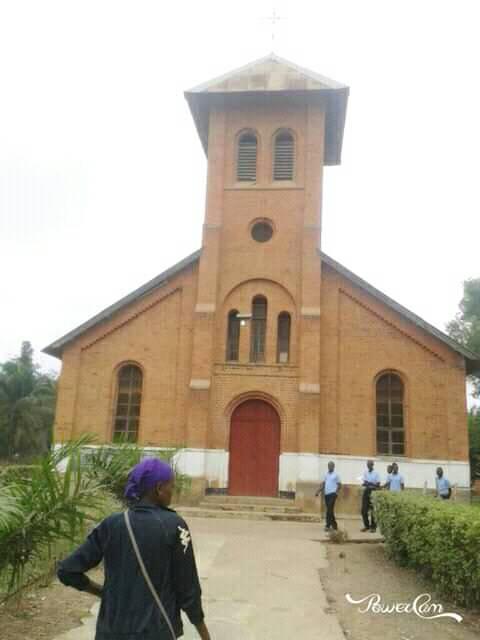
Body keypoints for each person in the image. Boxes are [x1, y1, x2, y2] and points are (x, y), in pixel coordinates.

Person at [57, 458, 211, 640]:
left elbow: (67, 571)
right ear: (159, 488)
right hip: (156, 632)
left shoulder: (111, 524)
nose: (172, 492)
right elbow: (188, 588)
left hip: (110, 632)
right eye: (171, 486)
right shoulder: (174, 525)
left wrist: (103, 593)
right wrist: (204, 634)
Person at [315, 461, 342, 531]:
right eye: (328, 466)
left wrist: (336, 493)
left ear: (333, 467)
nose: (329, 467)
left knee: (329, 509)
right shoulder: (326, 475)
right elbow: (323, 484)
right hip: (326, 495)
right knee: (330, 511)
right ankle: (335, 525)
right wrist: (318, 491)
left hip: (333, 494)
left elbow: (339, 485)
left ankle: (327, 525)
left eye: (331, 466)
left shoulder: (336, 475)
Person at [361, 460, 381, 532]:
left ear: (372, 465)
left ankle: (373, 527)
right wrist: (371, 484)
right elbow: (364, 483)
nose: (368, 466)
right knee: (363, 510)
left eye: (370, 464)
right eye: (367, 465)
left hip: (373, 492)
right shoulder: (365, 473)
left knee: (373, 511)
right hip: (366, 492)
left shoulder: (376, 474)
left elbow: (378, 484)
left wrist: (369, 484)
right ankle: (366, 526)